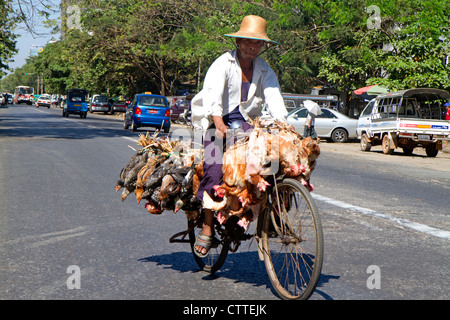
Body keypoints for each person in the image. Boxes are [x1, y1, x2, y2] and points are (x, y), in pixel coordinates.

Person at [190, 15, 288, 257]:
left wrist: (285, 126)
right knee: (214, 167)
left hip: (244, 125)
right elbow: (213, 94)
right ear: (238, 42)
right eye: (246, 41)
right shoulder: (222, 63)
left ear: (263, 46)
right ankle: (208, 225)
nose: (251, 46)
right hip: (216, 122)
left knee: (273, 163)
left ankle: (273, 216)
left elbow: (274, 98)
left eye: (256, 43)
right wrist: (218, 122)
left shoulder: (265, 70)